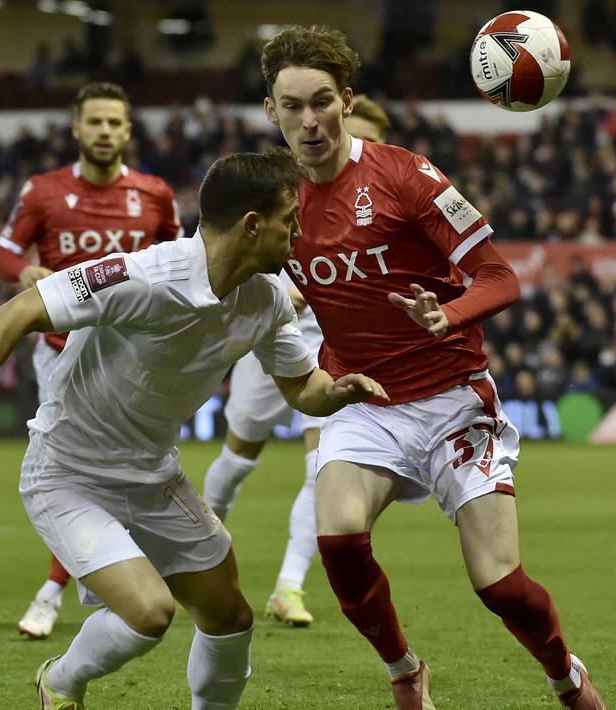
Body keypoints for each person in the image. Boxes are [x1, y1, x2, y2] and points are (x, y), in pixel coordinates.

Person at [0, 149, 387, 710]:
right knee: (149, 612)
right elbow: (19, 310)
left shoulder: (266, 299)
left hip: (154, 476)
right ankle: (59, 682)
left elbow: (303, 389)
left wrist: (341, 388)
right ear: (253, 224)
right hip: (67, 474)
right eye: (291, 220)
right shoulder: (141, 276)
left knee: (230, 615)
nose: (299, 233)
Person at [260, 25, 605, 710]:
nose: (309, 121)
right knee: (338, 541)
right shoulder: (269, 198)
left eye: (321, 102)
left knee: (500, 586)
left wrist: (449, 315)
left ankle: (564, 674)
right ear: (270, 112)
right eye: (291, 106)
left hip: (451, 398)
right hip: (364, 399)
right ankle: (403, 669)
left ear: (346, 100)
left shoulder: (404, 175)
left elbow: (499, 277)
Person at [0, 81, 184, 640]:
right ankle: (59, 589)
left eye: (113, 123)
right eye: (94, 122)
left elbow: (172, 258)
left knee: (101, 472)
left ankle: (72, 585)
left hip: (131, 355)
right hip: (59, 353)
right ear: (76, 128)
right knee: (73, 470)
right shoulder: (43, 192)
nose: (104, 131)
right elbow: (4, 254)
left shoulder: (154, 195)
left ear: (128, 130)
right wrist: (25, 272)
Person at [200, 93, 393, 629]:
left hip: (333, 348)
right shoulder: (287, 188)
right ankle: (187, 557)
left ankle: (289, 585)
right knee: (239, 455)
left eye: (375, 142)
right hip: (270, 333)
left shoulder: (386, 200)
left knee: (321, 466)